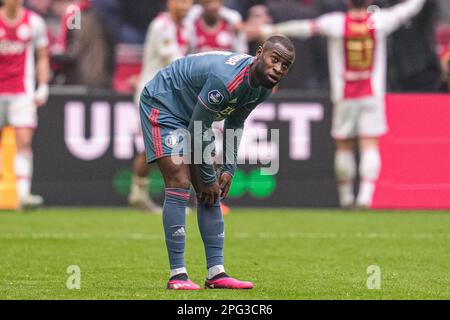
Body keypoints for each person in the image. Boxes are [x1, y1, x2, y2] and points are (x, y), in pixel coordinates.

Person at [139, 36, 295, 289]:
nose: (278, 68)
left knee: (209, 190)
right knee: (180, 179)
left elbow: (235, 122)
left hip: (194, 114)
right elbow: (198, 128)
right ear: (259, 53)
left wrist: (229, 167)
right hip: (164, 102)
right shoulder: (226, 80)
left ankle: (216, 273)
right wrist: (210, 177)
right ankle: (177, 276)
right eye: (274, 59)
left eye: (285, 65)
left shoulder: (264, 87)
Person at [254, 0, 426, 209]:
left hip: (344, 95)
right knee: (369, 143)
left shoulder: (336, 23)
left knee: (344, 145)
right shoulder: (380, 21)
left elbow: (304, 28)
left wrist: (271, 30)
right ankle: (365, 197)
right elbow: (406, 10)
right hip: (372, 95)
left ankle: (345, 197)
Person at [129, 0, 193, 213]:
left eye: (189, 1)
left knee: (159, 147)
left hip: (170, 95)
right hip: (152, 94)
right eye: (181, 1)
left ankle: (139, 194)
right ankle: (169, 199)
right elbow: (176, 62)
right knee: (162, 147)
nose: (186, 5)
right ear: (170, 2)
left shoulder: (186, 27)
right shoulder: (161, 26)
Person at [0, 0, 49, 209]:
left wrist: (43, 85)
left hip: (22, 91)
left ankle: (23, 195)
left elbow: (42, 56)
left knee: (23, 139)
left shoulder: (35, 22)